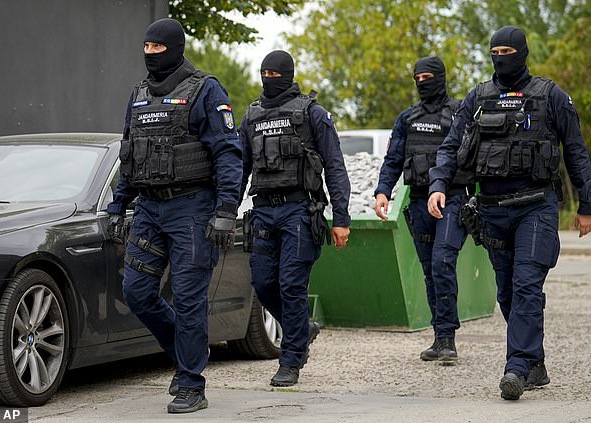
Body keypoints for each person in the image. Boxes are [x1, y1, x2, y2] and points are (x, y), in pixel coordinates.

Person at [428, 26, 591, 400]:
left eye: (508, 50)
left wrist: (587, 204)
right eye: (495, 50)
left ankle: (516, 368)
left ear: (522, 52)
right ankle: (535, 362)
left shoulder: (550, 96)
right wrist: (438, 185)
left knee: (525, 286)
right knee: (507, 291)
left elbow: (576, 150)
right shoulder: (477, 97)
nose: (501, 56)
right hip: (491, 210)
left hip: (535, 206)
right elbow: (450, 146)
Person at [106, 18, 242, 413]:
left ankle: (190, 382)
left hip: (192, 210)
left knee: (188, 299)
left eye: (156, 49)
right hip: (148, 208)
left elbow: (228, 155)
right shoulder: (138, 95)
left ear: (175, 47)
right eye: (145, 49)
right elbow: (130, 156)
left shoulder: (205, 90)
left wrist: (226, 211)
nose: (149, 55)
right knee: (137, 291)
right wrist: (118, 205)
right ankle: (185, 353)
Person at [239, 50, 351, 387]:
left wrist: (341, 218)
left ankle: (290, 360)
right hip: (262, 211)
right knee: (262, 283)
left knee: (291, 284)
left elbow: (335, 166)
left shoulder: (312, 114)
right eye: (264, 72)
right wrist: (224, 210)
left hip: (299, 211)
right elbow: (239, 168)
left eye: (275, 73)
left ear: (287, 74)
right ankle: (302, 326)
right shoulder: (252, 116)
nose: (269, 78)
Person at [374, 56, 474, 364]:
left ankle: (449, 339)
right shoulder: (407, 118)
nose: (422, 82)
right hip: (417, 201)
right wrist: (382, 191)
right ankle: (440, 337)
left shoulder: (459, 113)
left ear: (441, 78)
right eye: (418, 77)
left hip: (452, 199)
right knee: (431, 270)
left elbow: (473, 156)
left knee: (443, 261)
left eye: (428, 76)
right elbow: (393, 159)